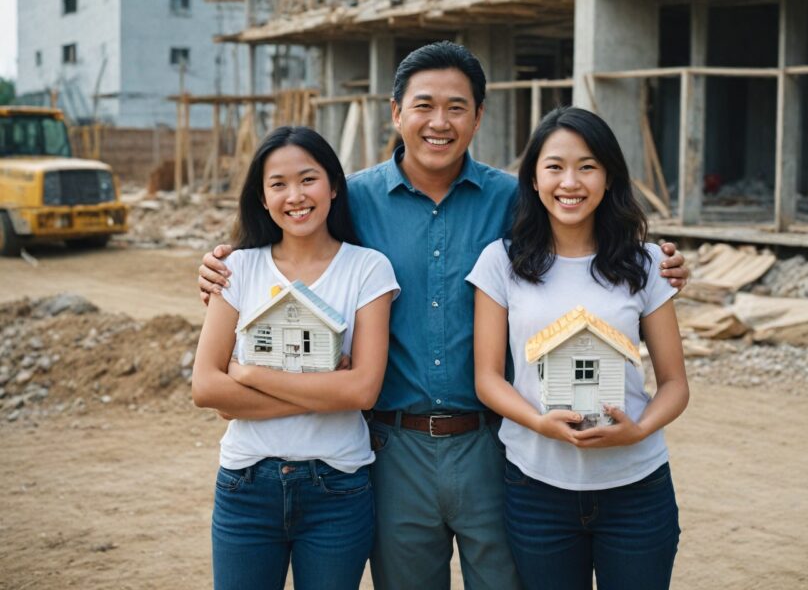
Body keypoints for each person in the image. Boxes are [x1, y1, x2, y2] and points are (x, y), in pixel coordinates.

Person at [198, 42, 689, 590]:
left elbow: (583, 235)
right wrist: (220, 265)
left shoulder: (516, 199)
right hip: (393, 448)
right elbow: (286, 240)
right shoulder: (352, 200)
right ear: (396, 113)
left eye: (457, 107)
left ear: (479, 116)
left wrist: (658, 261)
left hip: (492, 444)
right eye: (424, 105)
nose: (439, 122)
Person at [467, 106, 688, 590]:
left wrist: (639, 429)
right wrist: (539, 423)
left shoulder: (646, 264)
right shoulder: (500, 262)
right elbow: (487, 377)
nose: (571, 182)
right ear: (533, 178)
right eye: (555, 167)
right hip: (536, 488)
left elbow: (674, 383)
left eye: (587, 166)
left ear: (609, 178)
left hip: (636, 488)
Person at [191, 126, 399, 590]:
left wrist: (246, 377)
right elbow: (206, 388)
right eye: (278, 184)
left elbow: (363, 389)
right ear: (262, 198)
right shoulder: (238, 268)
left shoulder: (368, 269)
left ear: (333, 186)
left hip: (338, 489)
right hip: (246, 486)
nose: (295, 196)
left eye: (308, 179)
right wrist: (327, 392)